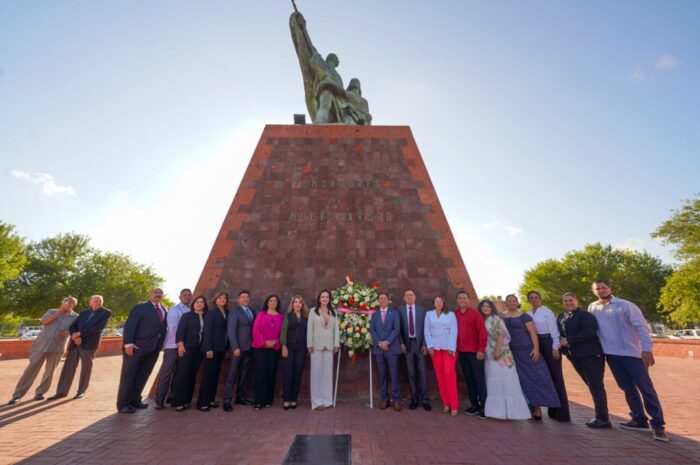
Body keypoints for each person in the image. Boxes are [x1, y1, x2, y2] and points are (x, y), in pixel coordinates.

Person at [588, 280, 668, 442]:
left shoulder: (626, 306)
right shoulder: (592, 308)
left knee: (646, 389)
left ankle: (658, 425)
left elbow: (642, 327)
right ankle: (639, 419)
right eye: (598, 288)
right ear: (594, 292)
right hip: (611, 355)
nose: (601, 290)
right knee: (627, 388)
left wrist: (647, 350)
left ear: (610, 289)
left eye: (604, 287)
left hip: (633, 354)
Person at [8, 297, 78, 405]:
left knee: (50, 371)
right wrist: (59, 312)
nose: (68, 305)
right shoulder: (51, 311)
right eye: (66, 302)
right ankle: (17, 395)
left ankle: (40, 393)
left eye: (71, 303)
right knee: (31, 369)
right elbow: (44, 322)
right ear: (61, 302)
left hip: (58, 346)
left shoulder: (75, 317)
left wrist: (68, 332)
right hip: (41, 344)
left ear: (74, 305)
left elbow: (75, 330)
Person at [502, 294, 560, 420]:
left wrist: (536, 349)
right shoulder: (501, 316)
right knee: (520, 380)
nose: (512, 303)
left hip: (528, 351)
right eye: (509, 301)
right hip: (511, 352)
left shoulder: (524, 316)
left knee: (535, 378)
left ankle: (537, 409)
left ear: (517, 303)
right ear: (505, 303)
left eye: (514, 301)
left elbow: (533, 333)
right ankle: (527, 408)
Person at [558, 293, 610, 428]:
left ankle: (603, 418)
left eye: (571, 300)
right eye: (565, 301)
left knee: (596, 386)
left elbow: (589, 333)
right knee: (591, 385)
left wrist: (569, 340)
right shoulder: (562, 317)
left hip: (591, 355)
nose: (568, 302)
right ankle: (601, 415)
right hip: (574, 356)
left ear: (577, 301)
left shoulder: (586, 316)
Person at [48, 295, 111, 401]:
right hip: (75, 343)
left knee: (86, 367)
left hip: (89, 344)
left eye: (100, 301)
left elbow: (98, 328)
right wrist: (74, 335)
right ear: (90, 302)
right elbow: (73, 326)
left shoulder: (106, 312)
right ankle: (61, 392)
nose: (98, 303)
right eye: (96, 301)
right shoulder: (84, 313)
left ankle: (81, 391)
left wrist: (80, 334)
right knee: (68, 367)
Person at [116, 288, 168, 414]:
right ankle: (123, 404)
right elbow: (130, 325)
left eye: (160, 293)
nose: (158, 294)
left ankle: (135, 400)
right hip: (136, 348)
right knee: (129, 375)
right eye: (155, 292)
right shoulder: (140, 307)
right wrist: (128, 343)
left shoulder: (165, 309)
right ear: (150, 295)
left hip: (154, 348)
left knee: (143, 375)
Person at [478, 299, 531, 420]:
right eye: (483, 306)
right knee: (493, 381)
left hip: (501, 355)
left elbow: (501, 335)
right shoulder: (483, 320)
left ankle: (511, 411)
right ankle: (497, 411)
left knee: (506, 380)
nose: (486, 308)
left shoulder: (495, 319)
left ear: (492, 308)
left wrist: (497, 350)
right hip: (489, 354)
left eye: (488, 306)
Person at [526, 291, 570, 422]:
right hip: (535, 344)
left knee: (556, 376)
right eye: (531, 298)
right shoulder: (527, 313)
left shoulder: (547, 312)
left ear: (540, 298)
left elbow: (554, 330)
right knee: (541, 377)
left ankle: (562, 413)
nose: (534, 299)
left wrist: (555, 347)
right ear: (528, 300)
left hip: (548, 342)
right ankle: (551, 410)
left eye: (536, 297)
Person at [154, 288, 191, 409]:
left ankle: (172, 395)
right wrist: (181, 342)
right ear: (180, 297)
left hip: (185, 347)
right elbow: (173, 328)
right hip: (172, 346)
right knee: (166, 373)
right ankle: (159, 399)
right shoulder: (174, 310)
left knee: (179, 374)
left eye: (188, 295)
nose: (186, 297)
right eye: (184, 295)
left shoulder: (191, 310)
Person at [171, 295, 208, 412]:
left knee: (192, 375)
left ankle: (187, 400)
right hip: (187, 349)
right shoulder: (187, 316)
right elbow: (180, 331)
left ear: (205, 304)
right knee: (183, 375)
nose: (199, 304)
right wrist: (180, 345)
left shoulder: (206, 317)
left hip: (199, 350)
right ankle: (179, 402)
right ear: (193, 304)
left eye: (201, 302)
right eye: (197, 302)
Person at [454, 290, 488, 418]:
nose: (462, 300)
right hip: (462, 352)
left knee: (479, 380)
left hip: (475, 353)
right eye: (460, 298)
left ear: (468, 300)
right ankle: (474, 405)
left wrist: (481, 349)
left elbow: (482, 333)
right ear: (457, 301)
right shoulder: (455, 314)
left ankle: (484, 407)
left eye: (464, 298)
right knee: (469, 380)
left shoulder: (475, 314)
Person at [423, 295, 459, 416]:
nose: (439, 303)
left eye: (441, 302)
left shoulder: (450, 314)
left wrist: (451, 347)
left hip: (448, 347)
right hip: (435, 348)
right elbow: (426, 331)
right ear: (434, 304)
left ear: (443, 303)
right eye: (436, 302)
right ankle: (446, 404)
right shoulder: (429, 314)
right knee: (440, 376)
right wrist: (429, 346)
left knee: (449, 374)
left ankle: (454, 405)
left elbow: (454, 331)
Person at [223, 290, 257, 411]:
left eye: (247, 297)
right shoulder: (234, 312)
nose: (245, 299)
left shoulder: (252, 311)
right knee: (232, 375)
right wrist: (235, 347)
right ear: (238, 299)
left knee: (244, 374)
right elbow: (231, 331)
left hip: (249, 348)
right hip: (237, 349)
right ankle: (227, 400)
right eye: (243, 297)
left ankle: (240, 397)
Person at [307, 289, 340, 411]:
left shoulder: (333, 312)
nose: (325, 299)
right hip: (316, 346)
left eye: (327, 297)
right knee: (316, 373)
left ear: (329, 299)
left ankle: (327, 400)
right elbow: (310, 329)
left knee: (327, 374)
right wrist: (309, 344)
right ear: (319, 299)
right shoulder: (313, 312)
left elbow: (336, 329)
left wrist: (336, 344)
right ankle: (316, 402)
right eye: (323, 297)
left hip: (329, 346)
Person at [196, 291, 229, 412]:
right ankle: (202, 403)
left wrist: (226, 348)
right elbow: (207, 332)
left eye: (224, 298)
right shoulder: (211, 313)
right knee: (208, 376)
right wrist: (208, 348)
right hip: (211, 349)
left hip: (221, 349)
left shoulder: (227, 313)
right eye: (220, 298)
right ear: (216, 300)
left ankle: (210, 400)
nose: (222, 300)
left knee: (215, 375)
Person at [369, 292, 402, 412]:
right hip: (379, 350)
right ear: (378, 301)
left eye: (385, 298)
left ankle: (396, 400)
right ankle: (384, 399)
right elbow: (372, 330)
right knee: (382, 376)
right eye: (381, 299)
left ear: (388, 301)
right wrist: (379, 343)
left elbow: (396, 329)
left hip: (392, 348)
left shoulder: (394, 313)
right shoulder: (375, 315)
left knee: (394, 375)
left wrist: (387, 342)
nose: (383, 300)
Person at [398, 289, 430, 411]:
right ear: (404, 298)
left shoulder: (422, 311)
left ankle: (425, 400)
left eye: (411, 295)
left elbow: (426, 328)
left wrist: (425, 343)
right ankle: (414, 399)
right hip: (407, 345)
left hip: (420, 344)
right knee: (411, 373)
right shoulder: (400, 310)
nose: (409, 297)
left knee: (423, 373)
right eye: (407, 295)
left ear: (415, 297)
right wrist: (401, 342)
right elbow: (399, 328)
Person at [251, 294, 285, 410]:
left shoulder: (281, 317)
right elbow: (255, 330)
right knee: (261, 374)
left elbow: (282, 333)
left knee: (271, 374)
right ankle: (258, 401)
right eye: (271, 300)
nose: (273, 302)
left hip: (274, 348)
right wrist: (264, 343)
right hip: (260, 348)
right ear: (267, 303)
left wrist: (275, 342)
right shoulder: (261, 315)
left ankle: (268, 400)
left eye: (275, 301)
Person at [281, 295, 309, 410]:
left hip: (301, 349)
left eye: (300, 302)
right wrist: (283, 346)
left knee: (297, 374)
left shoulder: (305, 318)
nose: (297, 304)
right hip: (289, 348)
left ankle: (294, 399)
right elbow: (283, 331)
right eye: (295, 302)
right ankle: (286, 399)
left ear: (302, 305)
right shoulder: (288, 316)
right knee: (288, 374)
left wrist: (307, 347)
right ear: (292, 305)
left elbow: (307, 333)